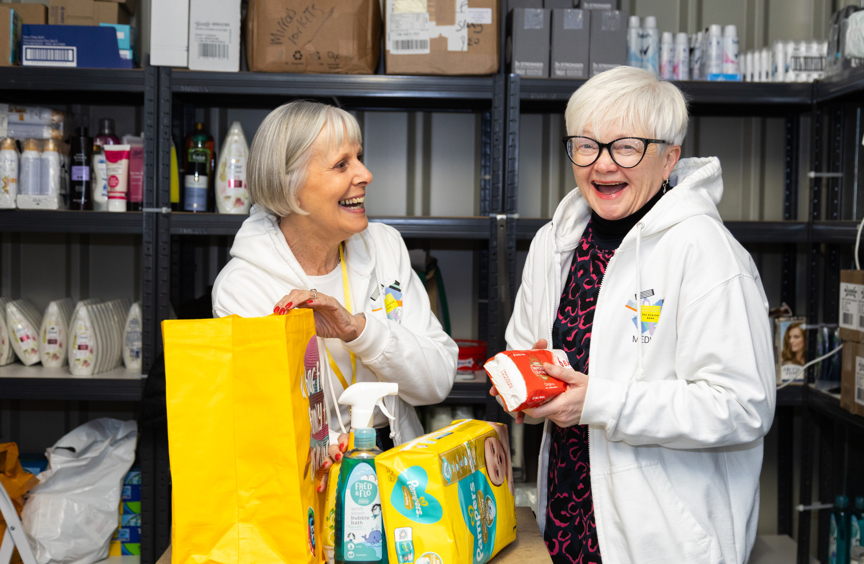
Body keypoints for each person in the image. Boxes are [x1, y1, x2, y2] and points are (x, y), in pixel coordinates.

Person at [499, 66, 776, 564]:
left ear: (669, 158)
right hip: (565, 517)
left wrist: (600, 402)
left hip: (664, 538)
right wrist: (523, 384)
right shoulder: (554, 243)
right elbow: (526, 344)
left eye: (626, 147)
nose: (603, 165)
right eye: (587, 145)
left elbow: (741, 405)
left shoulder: (706, 251)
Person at [212, 100, 458, 489]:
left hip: (400, 465)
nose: (365, 174)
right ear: (289, 188)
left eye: (359, 158)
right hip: (307, 481)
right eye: (342, 164)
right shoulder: (244, 288)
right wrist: (317, 448)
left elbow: (437, 380)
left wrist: (359, 329)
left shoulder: (385, 247)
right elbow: (261, 423)